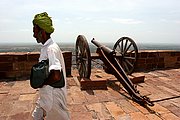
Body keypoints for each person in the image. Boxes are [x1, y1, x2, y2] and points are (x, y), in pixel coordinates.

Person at [32, 12, 70, 120]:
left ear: (42, 32)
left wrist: (42, 83)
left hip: (53, 98)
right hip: (46, 95)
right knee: (36, 117)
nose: (34, 35)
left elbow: (56, 75)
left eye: (35, 31)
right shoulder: (46, 47)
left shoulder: (51, 49)